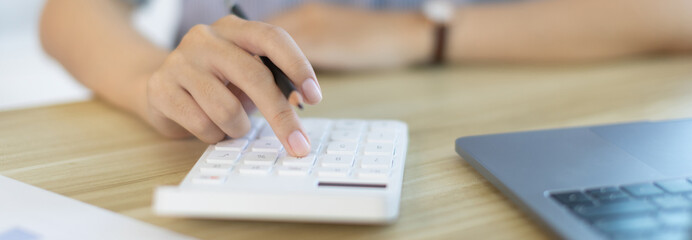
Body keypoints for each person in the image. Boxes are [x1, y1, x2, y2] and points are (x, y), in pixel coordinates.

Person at [40, 0, 692, 156]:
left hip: (481, 115)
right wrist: (154, 82)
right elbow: (69, 11)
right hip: (219, 136)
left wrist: (417, 34)